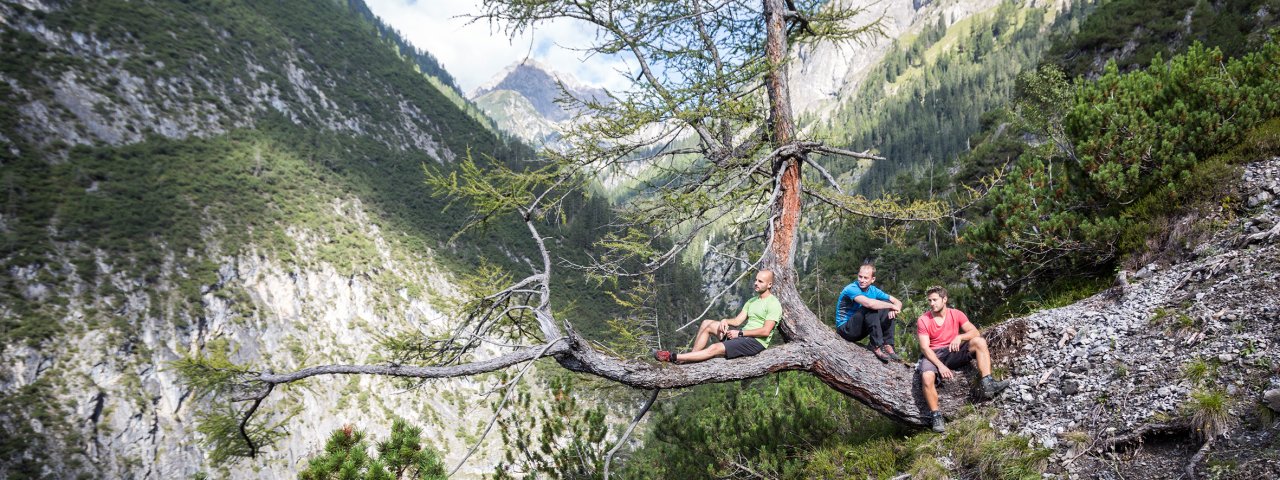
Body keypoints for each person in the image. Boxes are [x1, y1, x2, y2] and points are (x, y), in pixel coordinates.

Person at [916, 285, 1009, 432]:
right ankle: (936, 415)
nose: (932, 304)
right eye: (929, 301)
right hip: (933, 354)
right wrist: (940, 366)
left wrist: (960, 337)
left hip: (953, 351)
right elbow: (925, 348)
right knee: (927, 376)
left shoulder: (956, 314)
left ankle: (988, 382)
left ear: (944, 299)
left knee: (979, 341)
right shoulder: (924, 320)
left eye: (935, 300)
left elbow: (974, 331)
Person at [654, 270, 781, 363]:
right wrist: (725, 320)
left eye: (760, 281)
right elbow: (737, 321)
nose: (755, 283)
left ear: (769, 284)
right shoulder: (752, 301)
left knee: (714, 348)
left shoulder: (773, 303)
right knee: (707, 324)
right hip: (742, 337)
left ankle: (672, 357)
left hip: (755, 343)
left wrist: (740, 334)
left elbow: (765, 331)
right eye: (755, 280)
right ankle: (691, 358)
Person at [833, 263, 904, 362]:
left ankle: (887, 344)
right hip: (846, 329)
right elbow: (869, 304)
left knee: (886, 303)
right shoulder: (851, 288)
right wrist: (892, 306)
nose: (862, 280)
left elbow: (897, 301)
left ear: (872, 279)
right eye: (860, 277)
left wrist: (895, 308)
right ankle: (876, 345)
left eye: (866, 278)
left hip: (860, 329)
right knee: (871, 307)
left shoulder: (873, 290)